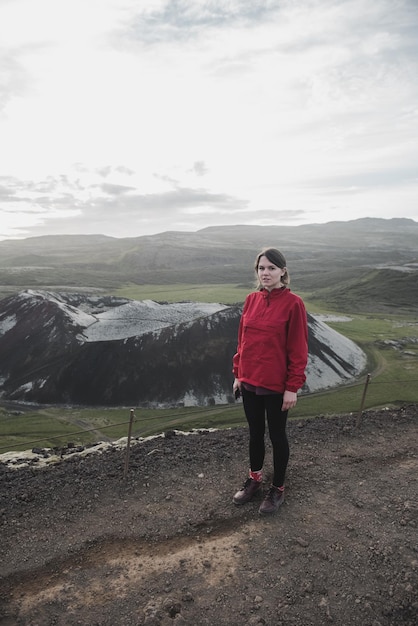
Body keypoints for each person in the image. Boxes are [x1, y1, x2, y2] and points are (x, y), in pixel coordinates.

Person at [232, 247, 308, 515]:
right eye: (262, 268)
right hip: (250, 380)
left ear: (283, 272)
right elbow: (243, 341)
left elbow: (298, 350)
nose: (266, 273)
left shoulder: (293, 304)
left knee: (277, 436)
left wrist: (292, 387)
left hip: (276, 385)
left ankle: (278, 489)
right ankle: (254, 480)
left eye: (272, 268)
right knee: (255, 433)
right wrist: (238, 374)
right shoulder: (251, 299)